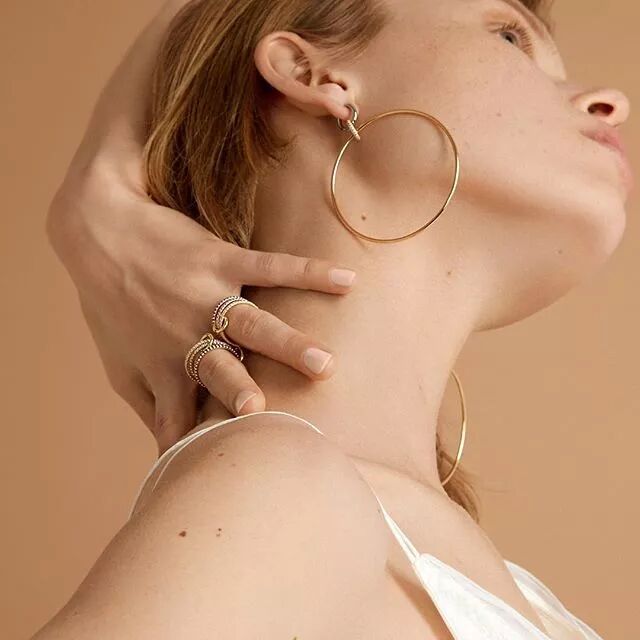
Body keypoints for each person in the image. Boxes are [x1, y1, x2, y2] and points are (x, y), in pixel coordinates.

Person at [35, 0, 631, 638]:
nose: (613, 102)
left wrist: (96, 183)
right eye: (510, 36)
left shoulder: (491, 579)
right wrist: (92, 191)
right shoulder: (281, 485)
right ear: (310, 73)